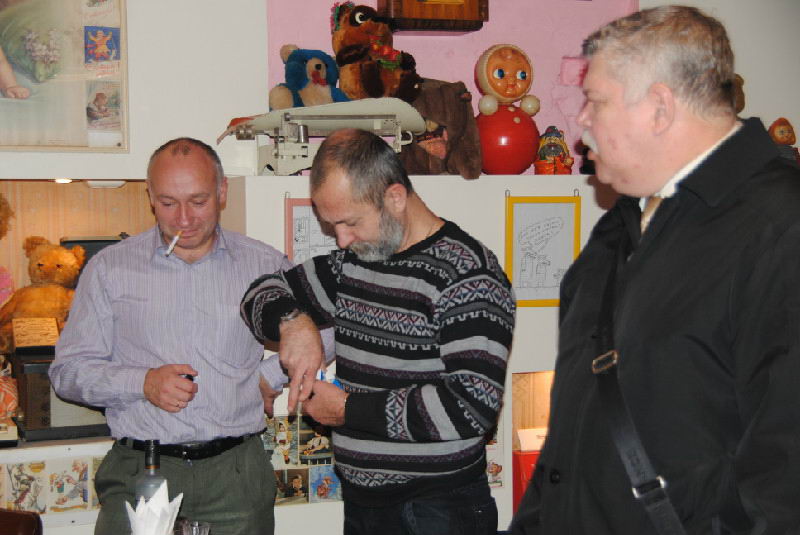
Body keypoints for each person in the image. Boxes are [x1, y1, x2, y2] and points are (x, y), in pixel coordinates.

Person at [511, 6, 800, 534]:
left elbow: (785, 476)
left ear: (660, 109)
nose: (581, 120)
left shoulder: (780, 225)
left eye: (596, 100)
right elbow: (572, 434)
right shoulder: (622, 224)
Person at [50, 137, 332, 535]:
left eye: (198, 201)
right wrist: (141, 383)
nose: (184, 218)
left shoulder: (264, 264)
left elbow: (329, 330)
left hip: (236, 473)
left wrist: (270, 375)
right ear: (150, 198)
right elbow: (67, 373)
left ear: (222, 192)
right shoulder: (110, 269)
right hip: (141, 469)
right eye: (168, 203)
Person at [240, 128, 516, 535]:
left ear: (395, 197)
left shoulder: (467, 274)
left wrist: (348, 410)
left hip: (440, 508)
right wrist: (293, 322)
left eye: (350, 222)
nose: (341, 240)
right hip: (364, 505)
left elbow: (471, 407)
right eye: (332, 225)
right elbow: (258, 293)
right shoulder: (357, 261)